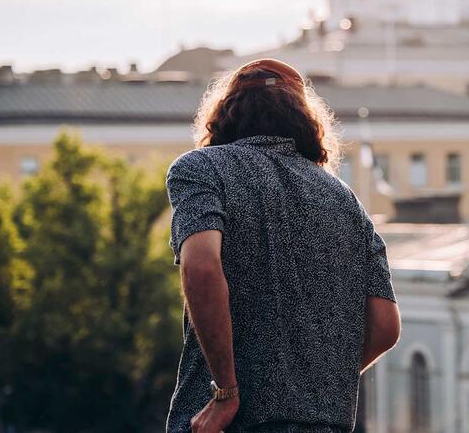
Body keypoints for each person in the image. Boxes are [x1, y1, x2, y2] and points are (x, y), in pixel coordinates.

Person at [165, 58, 400, 433]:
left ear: (225, 114)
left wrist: (226, 390)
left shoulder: (201, 169)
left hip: (230, 423)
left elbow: (202, 266)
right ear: (304, 119)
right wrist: (314, 385)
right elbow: (386, 326)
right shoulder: (344, 199)